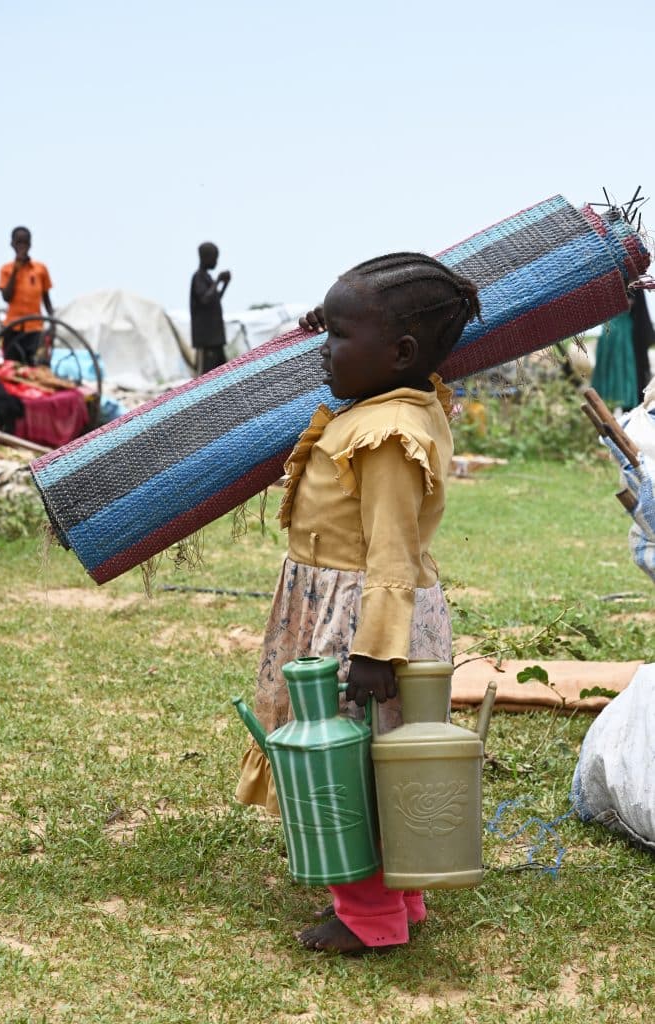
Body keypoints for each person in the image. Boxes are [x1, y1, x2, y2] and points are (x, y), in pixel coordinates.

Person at [236, 251, 480, 953]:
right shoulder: (401, 399)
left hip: (362, 619)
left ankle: (368, 918)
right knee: (382, 754)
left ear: (399, 351)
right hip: (344, 605)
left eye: (338, 337)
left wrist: (374, 649)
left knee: (351, 762)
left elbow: (391, 551)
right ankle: (398, 896)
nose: (324, 350)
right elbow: (369, 347)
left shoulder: (385, 435)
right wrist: (337, 322)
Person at [0, 226, 54, 366]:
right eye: (18, 243)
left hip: (34, 329)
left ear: (30, 244)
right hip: (12, 329)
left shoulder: (40, 269)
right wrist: (16, 270)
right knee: (11, 368)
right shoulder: (6, 269)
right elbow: (6, 297)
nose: (22, 246)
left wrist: (53, 322)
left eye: (25, 243)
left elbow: (46, 299)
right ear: (12, 244)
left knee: (34, 366)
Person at [591, 290, 655, 411]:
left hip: (615, 331)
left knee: (622, 369)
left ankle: (617, 402)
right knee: (621, 369)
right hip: (617, 333)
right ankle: (622, 401)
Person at [189, 242, 231, 375]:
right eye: (214, 258)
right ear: (205, 258)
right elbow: (204, 300)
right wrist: (218, 281)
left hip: (215, 340)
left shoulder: (207, 278)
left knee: (221, 374)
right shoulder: (198, 277)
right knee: (206, 377)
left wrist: (225, 284)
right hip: (206, 341)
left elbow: (215, 299)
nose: (216, 261)